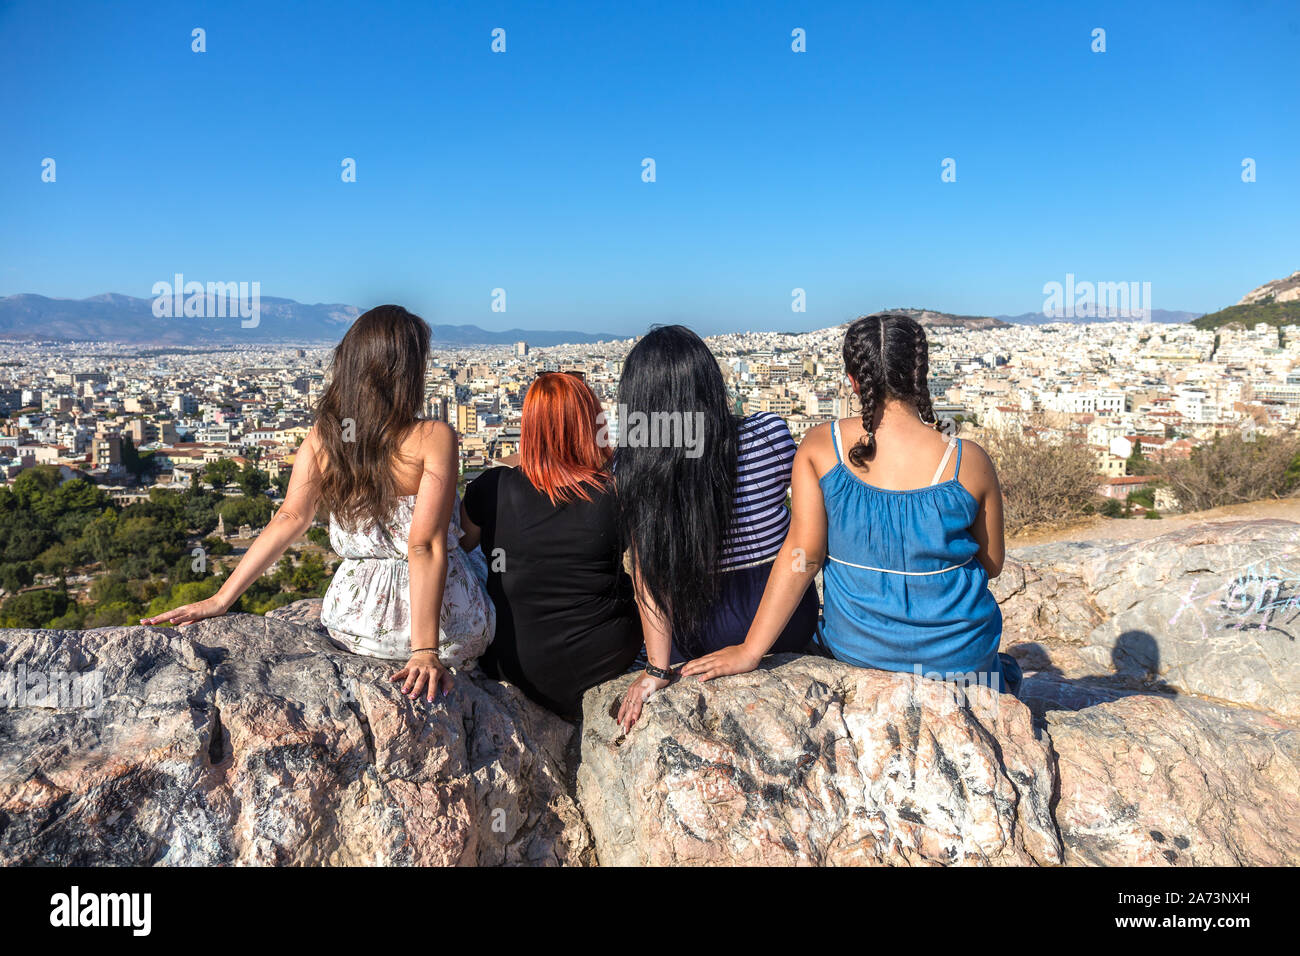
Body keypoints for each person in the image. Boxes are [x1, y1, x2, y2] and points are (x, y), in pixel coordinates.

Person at [143, 305, 494, 704]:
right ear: (405, 372)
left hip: (354, 625)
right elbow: (424, 545)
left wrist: (222, 599)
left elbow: (290, 517)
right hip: (444, 629)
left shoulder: (325, 437)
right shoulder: (433, 436)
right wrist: (425, 652)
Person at [682, 312, 1019, 697]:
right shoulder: (967, 460)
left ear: (853, 382)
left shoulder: (822, 447)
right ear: (919, 375)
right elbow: (991, 565)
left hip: (859, 654)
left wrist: (750, 650)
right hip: (959, 661)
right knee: (1006, 671)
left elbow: (803, 556)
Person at [615, 325, 818, 731]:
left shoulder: (632, 468)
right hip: (786, 624)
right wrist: (752, 650)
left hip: (699, 636)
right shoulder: (769, 436)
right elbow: (807, 543)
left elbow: (646, 569)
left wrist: (658, 667)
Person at [459, 372, 641, 719]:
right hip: (603, 660)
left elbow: (459, 548)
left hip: (511, 663)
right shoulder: (616, 492)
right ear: (591, 422)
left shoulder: (491, 489)